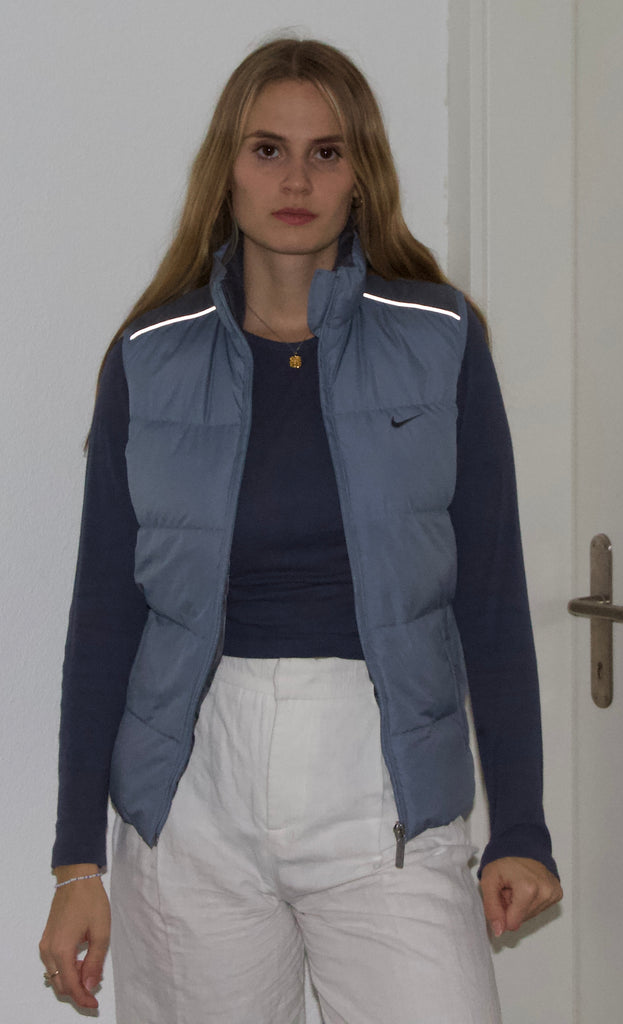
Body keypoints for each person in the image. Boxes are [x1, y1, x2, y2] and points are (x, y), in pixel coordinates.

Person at [40, 37, 562, 1024]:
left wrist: (521, 829)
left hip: (386, 782)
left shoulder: (439, 340)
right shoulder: (149, 358)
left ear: (360, 172)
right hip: (188, 798)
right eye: (266, 149)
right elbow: (104, 610)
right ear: (227, 169)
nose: (295, 180)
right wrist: (76, 860)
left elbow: (489, 597)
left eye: (325, 152)